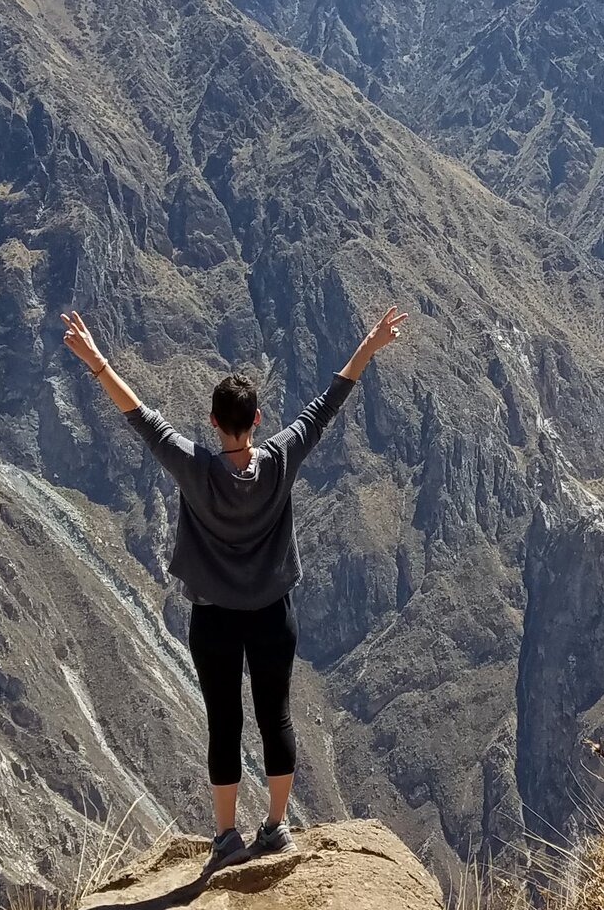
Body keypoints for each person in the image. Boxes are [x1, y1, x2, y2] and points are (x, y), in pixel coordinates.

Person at [59, 303, 408, 875]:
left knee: (224, 721)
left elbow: (140, 418)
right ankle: (276, 826)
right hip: (272, 613)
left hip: (214, 618)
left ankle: (225, 837)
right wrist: (369, 345)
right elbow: (328, 403)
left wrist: (97, 363)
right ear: (259, 419)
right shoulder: (281, 458)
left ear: (214, 423)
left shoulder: (195, 467)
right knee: (277, 716)